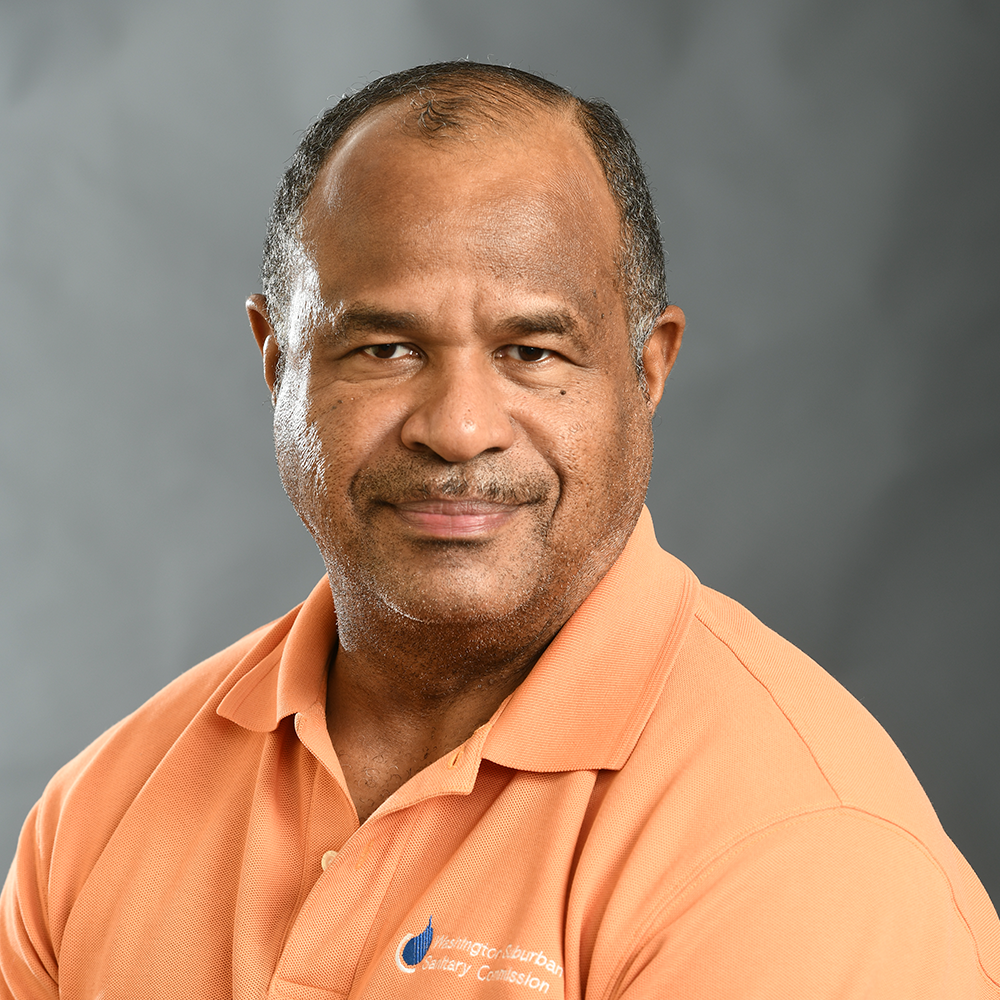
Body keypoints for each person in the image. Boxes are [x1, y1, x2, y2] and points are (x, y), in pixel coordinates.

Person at [2, 61, 998, 1000]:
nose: (459, 426)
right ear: (278, 364)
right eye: (385, 348)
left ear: (647, 372)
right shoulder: (101, 811)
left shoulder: (796, 850)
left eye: (531, 351)